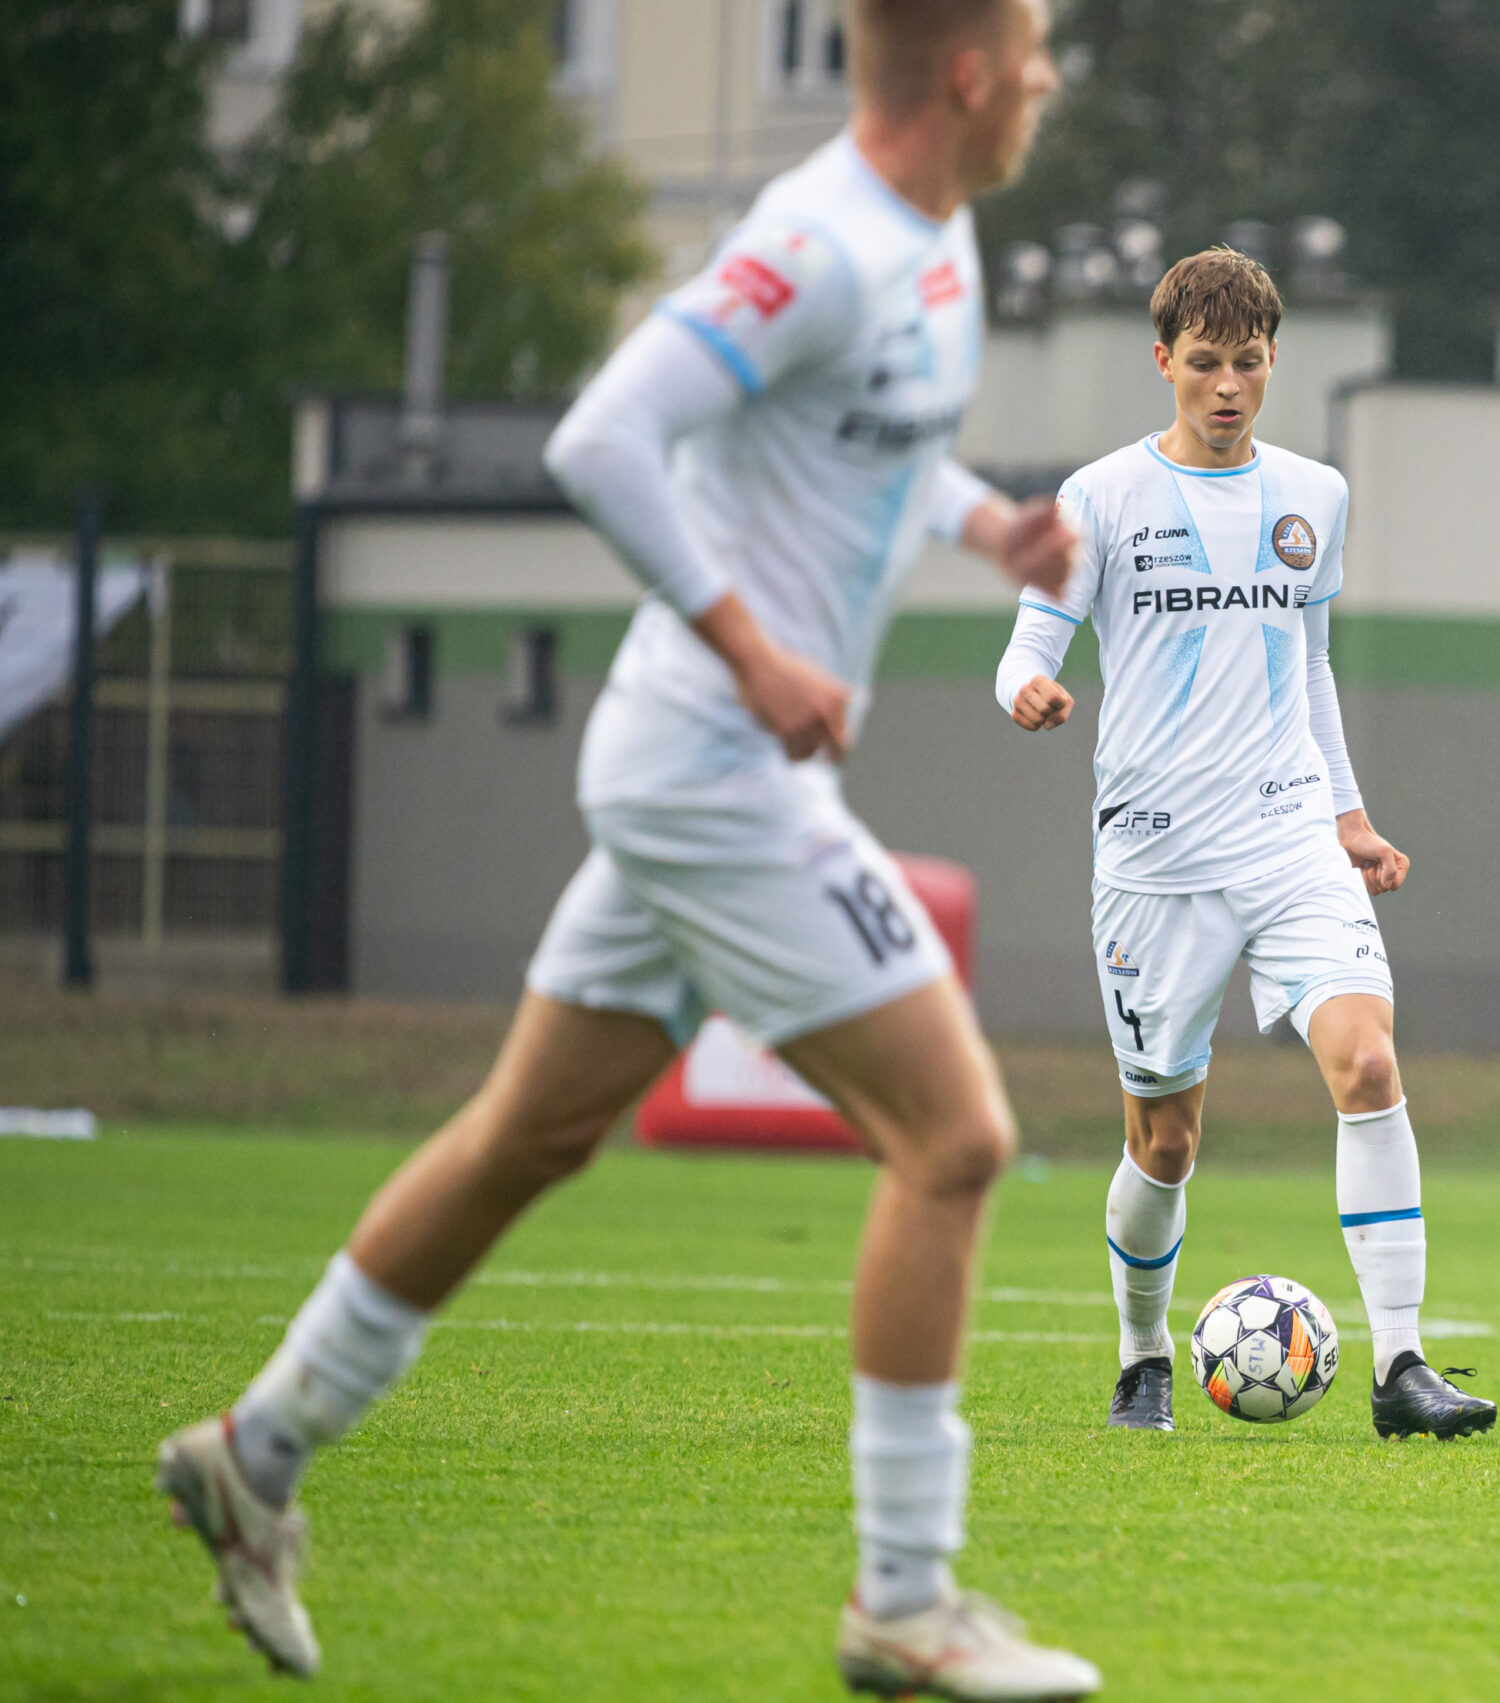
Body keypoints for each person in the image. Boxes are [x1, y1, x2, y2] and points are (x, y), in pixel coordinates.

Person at [153, 4, 1103, 1697]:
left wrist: (983, 524)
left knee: (525, 1134)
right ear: (966, 71)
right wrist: (754, 646)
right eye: (1033, 49)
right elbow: (600, 439)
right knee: (957, 1139)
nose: (1048, 79)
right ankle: (904, 1599)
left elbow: (860, 438)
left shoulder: (938, 243)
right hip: (714, 768)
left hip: (710, 772)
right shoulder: (814, 238)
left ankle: (257, 1449)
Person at [994, 249, 1497, 1442]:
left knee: (1368, 1064)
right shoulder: (1099, 498)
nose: (1227, 386)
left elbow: (1309, 666)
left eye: (1249, 364)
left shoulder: (1312, 495)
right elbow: (1031, 642)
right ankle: (1140, 1354)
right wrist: (1027, 688)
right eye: (1205, 364)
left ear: (1275, 363)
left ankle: (1402, 1364)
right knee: (1164, 1140)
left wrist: (1350, 815)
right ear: (1162, 361)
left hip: (1286, 834)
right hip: (1157, 860)